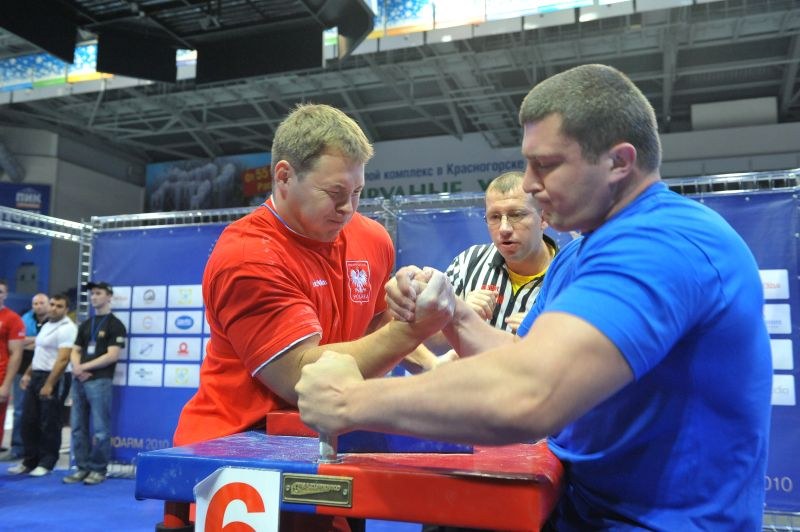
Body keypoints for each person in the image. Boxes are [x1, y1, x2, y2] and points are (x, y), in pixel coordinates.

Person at [295, 64, 772, 530]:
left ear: (619, 163)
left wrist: (349, 401)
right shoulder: (580, 252)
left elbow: (530, 393)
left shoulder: (664, 243)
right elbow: (522, 355)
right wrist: (453, 314)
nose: (527, 183)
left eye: (545, 165)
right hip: (581, 507)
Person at [173, 103, 449, 532]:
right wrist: (412, 329)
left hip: (330, 444)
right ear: (284, 177)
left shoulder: (372, 238)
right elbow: (302, 376)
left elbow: (374, 328)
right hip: (238, 457)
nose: (348, 208)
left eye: (358, 193)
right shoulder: (247, 256)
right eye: (335, 193)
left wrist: (409, 315)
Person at [444, 171, 556, 333]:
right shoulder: (467, 263)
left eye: (516, 215)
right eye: (495, 217)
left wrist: (548, 335)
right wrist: (460, 317)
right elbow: (427, 337)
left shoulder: (570, 274)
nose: (504, 229)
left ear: (544, 218)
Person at [62, 282, 126, 486]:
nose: (94, 297)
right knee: (77, 427)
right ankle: (81, 467)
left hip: (100, 381)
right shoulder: (86, 324)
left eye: (98, 293)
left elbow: (112, 355)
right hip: (79, 381)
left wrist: (83, 367)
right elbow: (75, 349)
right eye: (92, 294)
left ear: (109, 296)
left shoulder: (115, 324)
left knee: (100, 429)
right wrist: (77, 367)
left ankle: (98, 469)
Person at [7, 294, 77, 476]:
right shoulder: (47, 325)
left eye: (59, 306)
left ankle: (47, 462)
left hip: (55, 376)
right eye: (52, 304)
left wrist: (49, 384)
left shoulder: (68, 328)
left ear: (66, 309)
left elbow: (63, 359)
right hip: (37, 374)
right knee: (28, 420)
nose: (54, 308)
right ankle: (30, 461)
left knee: (49, 422)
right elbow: (40, 352)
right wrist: (28, 373)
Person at [0, 293, 50, 461]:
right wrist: (38, 340)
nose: (38, 306)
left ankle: (41, 450)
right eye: (35, 303)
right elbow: (19, 343)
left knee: (44, 412)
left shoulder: (54, 321)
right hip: (22, 371)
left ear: (48, 304)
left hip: (46, 371)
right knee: (19, 410)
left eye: (42, 303)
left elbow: (48, 344)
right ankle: (17, 447)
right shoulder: (25, 319)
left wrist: (34, 342)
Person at [0, 280, 26, 450]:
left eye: (0, 291)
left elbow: (16, 354)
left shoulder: (13, 319)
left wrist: (6, 385)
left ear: (6, 295)